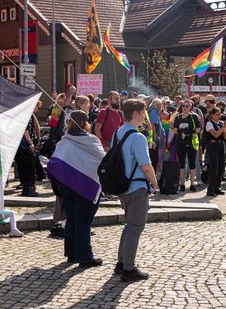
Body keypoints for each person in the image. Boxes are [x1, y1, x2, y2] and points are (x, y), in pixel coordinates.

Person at [48, 111, 105, 267]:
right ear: (86, 123)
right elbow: (102, 161)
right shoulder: (92, 140)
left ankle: (72, 254)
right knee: (83, 221)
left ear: (70, 123)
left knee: (72, 219)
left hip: (67, 186)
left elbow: (54, 162)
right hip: (86, 186)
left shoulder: (64, 141)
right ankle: (85, 257)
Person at [114, 99, 158, 282]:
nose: (145, 116)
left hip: (122, 185)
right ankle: (129, 269)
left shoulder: (118, 133)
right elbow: (146, 165)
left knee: (129, 225)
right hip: (137, 187)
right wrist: (155, 183)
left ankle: (121, 263)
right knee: (135, 227)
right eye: (143, 113)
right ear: (135, 114)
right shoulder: (138, 137)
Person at [172, 99, 200, 192]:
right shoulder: (178, 117)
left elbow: (198, 129)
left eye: (187, 106)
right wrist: (181, 131)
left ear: (191, 107)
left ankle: (192, 184)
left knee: (192, 163)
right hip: (181, 142)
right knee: (181, 163)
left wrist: (189, 132)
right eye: (183, 106)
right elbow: (175, 129)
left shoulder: (194, 117)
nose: (184, 108)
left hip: (191, 141)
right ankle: (182, 184)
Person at [205, 107, 226, 196]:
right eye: (217, 114)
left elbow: (224, 137)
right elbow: (215, 134)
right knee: (214, 167)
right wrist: (223, 127)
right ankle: (210, 189)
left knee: (220, 167)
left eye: (220, 114)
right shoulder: (209, 123)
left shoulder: (221, 123)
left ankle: (217, 188)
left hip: (220, 145)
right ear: (212, 115)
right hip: (212, 145)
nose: (219, 116)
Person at [147, 98, 164, 172]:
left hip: (152, 137)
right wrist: (155, 134)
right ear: (157, 105)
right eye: (160, 105)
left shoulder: (152, 110)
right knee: (154, 156)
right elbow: (153, 124)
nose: (161, 107)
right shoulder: (153, 111)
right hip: (153, 137)